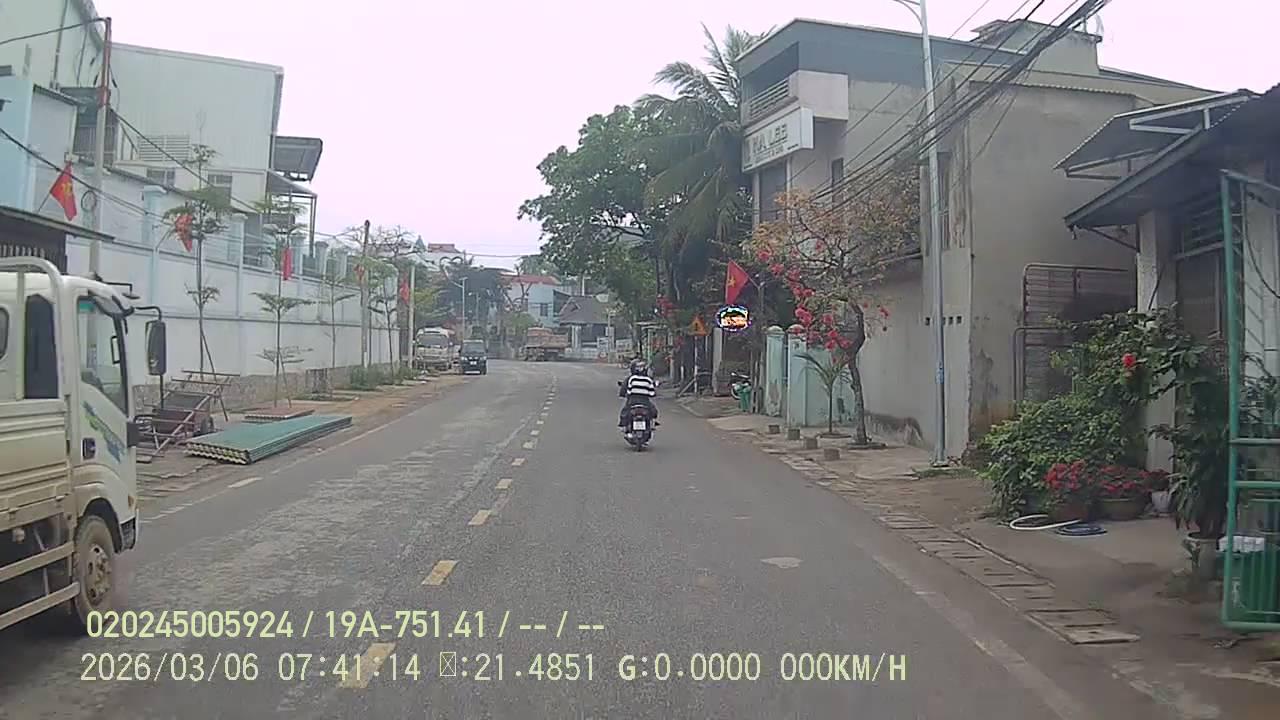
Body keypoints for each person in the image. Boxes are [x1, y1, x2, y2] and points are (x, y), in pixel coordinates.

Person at [618, 358, 659, 428]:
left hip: (632, 401)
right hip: (645, 401)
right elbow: (652, 393)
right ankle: (652, 423)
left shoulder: (631, 379)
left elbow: (628, 391)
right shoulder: (648, 379)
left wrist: (625, 394)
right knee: (653, 411)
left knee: (625, 411)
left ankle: (623, 424)